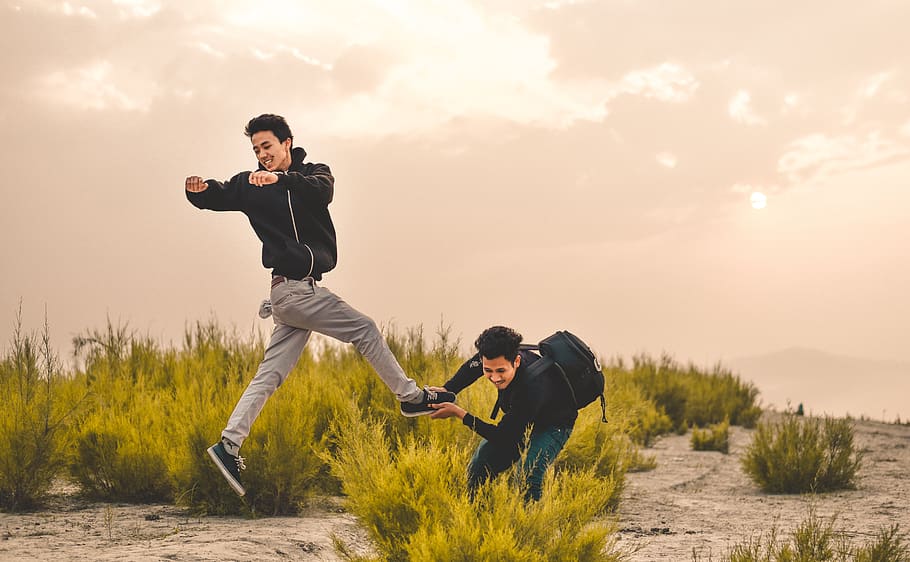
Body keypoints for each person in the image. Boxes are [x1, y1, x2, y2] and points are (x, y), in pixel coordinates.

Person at [185, 113, 455, 496]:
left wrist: (281, 179)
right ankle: (410, 398)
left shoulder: (313, 173)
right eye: (256, 149)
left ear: (287, 143)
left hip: (292, 294)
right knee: (364, 329)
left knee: (270, 374)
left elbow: (321, 190)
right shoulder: (251, 184)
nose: (262, 155)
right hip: (294, 291)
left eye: (268, 146)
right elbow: (220, 194)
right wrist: (198, 190)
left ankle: (228, 444)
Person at [429, 326, 576, 501]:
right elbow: (471, 368)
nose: (495, 378)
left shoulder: (532, 387)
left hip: (553, 424)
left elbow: (503, 437)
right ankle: (477, 521)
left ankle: (529, 526)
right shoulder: (493, 356)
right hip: (521, 419)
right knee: (479, 466)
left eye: (501, 371)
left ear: (517, 361)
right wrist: (447, 390)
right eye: (488, 370)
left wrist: (459, 413)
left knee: (527, 475)